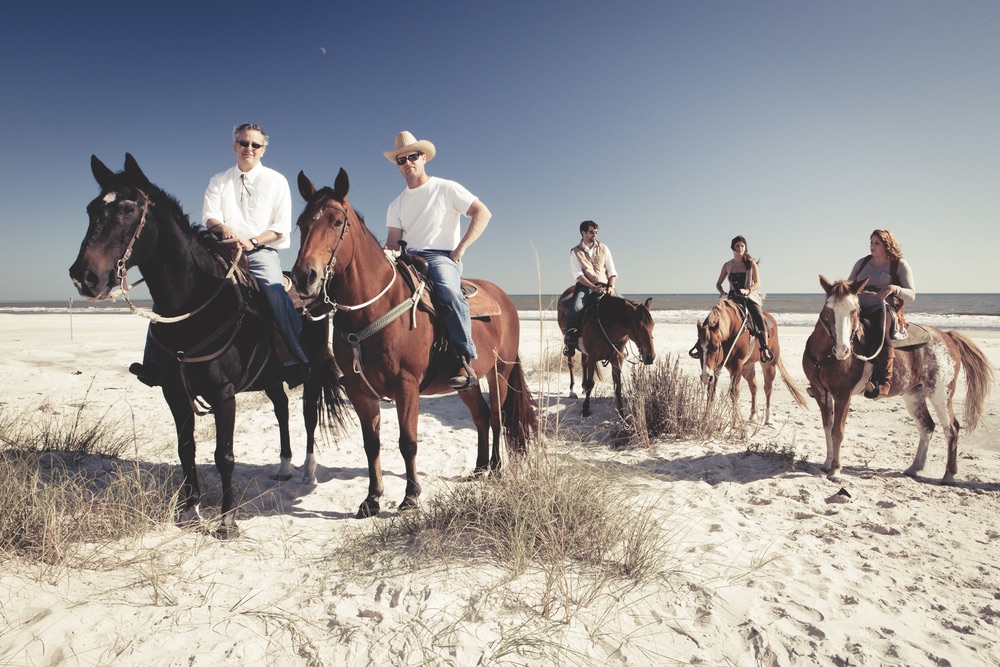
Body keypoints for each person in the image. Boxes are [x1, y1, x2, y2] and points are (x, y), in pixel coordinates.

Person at [129, 123, 308, 388]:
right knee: (172, 288)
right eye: (244, 143)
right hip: (221, 248)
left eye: (255, 145)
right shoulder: (219, 180)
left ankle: (295, 359)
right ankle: (154, 363)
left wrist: (252, 241)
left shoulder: (276, 181)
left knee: (272, 293)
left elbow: (280, 228)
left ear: (263, 150)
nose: (249, 148)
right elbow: (209, 215)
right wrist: (221, 228)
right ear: (234, 145)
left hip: (260, 252)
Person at [383, 131, 492, 391]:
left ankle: (465, 360)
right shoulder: (396, 204)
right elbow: (392, 241)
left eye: (412, 157)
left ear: (423, 158)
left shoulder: (446, 187)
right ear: (398, 166)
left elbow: (482, 212)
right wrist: (384, 255)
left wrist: (460, 248)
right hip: (408, 257)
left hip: (441, 256)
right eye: (401, 160)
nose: (407, 163)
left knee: (449, 294)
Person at [848, 229, 915, 399]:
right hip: (859, 308)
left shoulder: (899, 265)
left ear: (887, 244)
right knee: (837, 327)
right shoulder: (862, 263)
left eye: (877, 243)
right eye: (871, 242)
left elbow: (911, 295)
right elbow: (849, 286)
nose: (872, 246)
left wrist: (895, 288)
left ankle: (884, 382)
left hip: (884, 309)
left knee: (879, 330)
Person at [715, 235, 774, 363]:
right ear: (732, 248)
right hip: (732, 298)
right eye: (737, 246)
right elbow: (718, 283)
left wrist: (748, 290)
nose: (740, 248)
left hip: (748, 296)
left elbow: (758, 283)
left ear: (745, 247)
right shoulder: (727, 265)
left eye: (742, 246)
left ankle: (764, 348)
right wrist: (721, 291)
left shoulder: (751, 263)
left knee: (758, 315)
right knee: (718, 317)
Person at [563, 220, 618, 356]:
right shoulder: (575, 252)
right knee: (576, 308)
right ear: (583, 233)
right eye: (591, 232)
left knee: (624, 306)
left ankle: (621, 345)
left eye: (596, 232)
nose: (595, 235)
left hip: (606, 286)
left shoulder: (604, 248)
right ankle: (570, 342)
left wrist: (611, 287)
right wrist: (593, 287)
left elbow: (612, 271)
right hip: (585, 287)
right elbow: (578, 275)